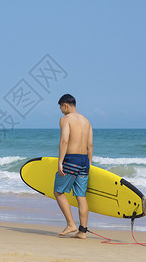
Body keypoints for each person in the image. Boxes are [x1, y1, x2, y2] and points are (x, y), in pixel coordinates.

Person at [54, 94, 93, 239]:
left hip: (71, 160)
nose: (61, 111)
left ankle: (71, 224)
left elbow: (64, 140)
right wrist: (88, 164)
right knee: (81, 196)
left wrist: (60, 162)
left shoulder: (65, 119)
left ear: (65, 105)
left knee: (58, 192)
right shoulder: (86, 121)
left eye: (60, 108)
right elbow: (90, 145)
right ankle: (82, 232)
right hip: (84, 161)